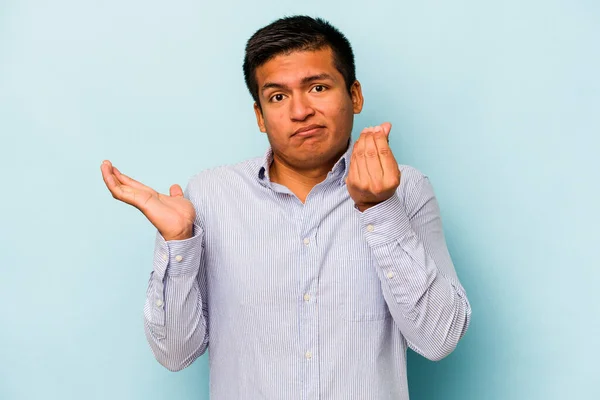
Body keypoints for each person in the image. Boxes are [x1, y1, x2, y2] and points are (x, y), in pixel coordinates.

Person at [100, 15, 471, 399]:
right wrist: (177, 244)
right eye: (278, 97)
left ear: (354, 94)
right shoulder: (210, 195)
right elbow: (176, 353)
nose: (300, 111)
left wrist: (381, 209)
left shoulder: (406, 190)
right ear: (260, 116)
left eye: (318, 87)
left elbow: (439, 339)